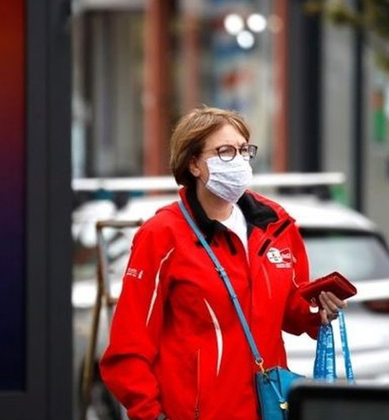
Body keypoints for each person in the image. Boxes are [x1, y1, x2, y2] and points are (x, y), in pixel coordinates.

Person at [99, 107, 347, 420]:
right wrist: (151, 415)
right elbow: (127, 349)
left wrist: (318, 309)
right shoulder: (161, 235)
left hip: (268, 409)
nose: (239, 161)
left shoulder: (276, 224)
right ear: (194, 164)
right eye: (225, 152)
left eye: (244, 150)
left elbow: (289, 310)